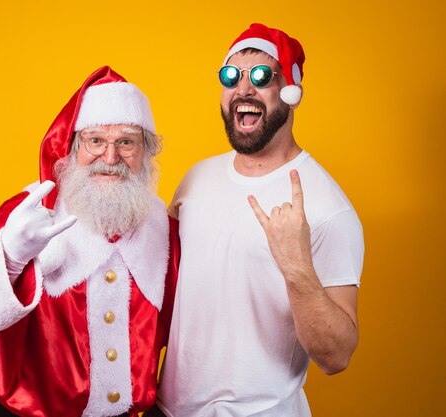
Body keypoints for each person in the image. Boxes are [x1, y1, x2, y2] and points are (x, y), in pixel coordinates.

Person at [151, 23, 365, 417]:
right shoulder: (196, 179)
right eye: (231, 76)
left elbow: (336, 356)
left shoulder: (326, 207)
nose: (243, 89)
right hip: (167, 409)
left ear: (291, 93)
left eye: (262, 76)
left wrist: (296, 267)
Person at [0, 66, 179, 417]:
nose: (111, 158)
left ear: (145, 152)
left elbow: (189, 340)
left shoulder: (166, 234)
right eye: (95, 140)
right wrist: (9, 256)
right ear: (71, 147)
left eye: (126, 142)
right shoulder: (28, 213)